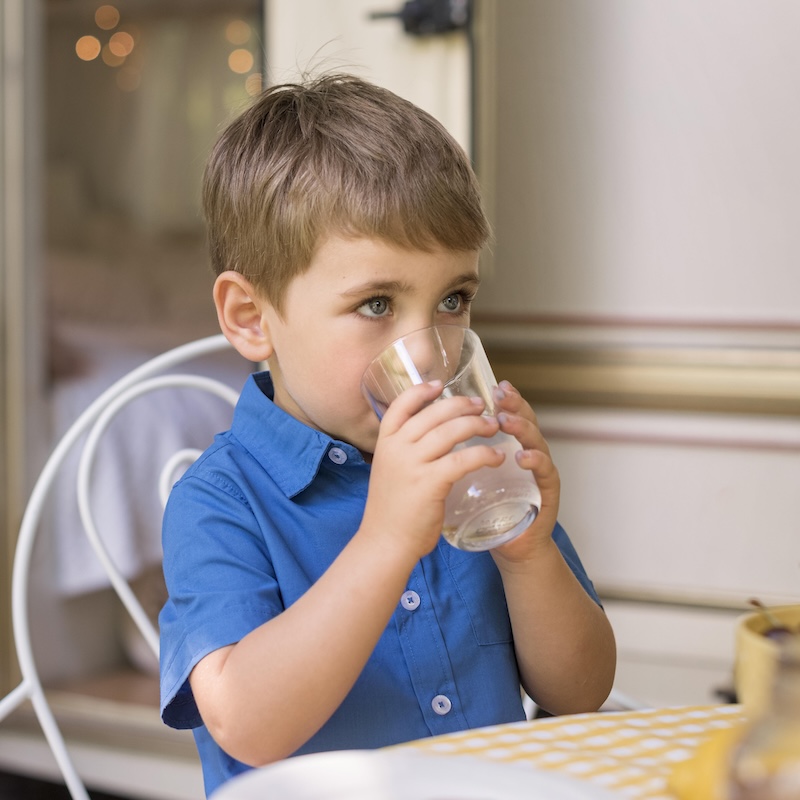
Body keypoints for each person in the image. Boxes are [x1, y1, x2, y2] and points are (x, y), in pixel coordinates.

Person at [159, 73, 616, 797]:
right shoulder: (219, 503)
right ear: (251, 318)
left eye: (453, 300)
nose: (430, 349)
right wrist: (386, 540)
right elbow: (247, 723)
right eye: (376, 303)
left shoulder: (471, 469)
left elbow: (582, 691)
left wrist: (528, 555)